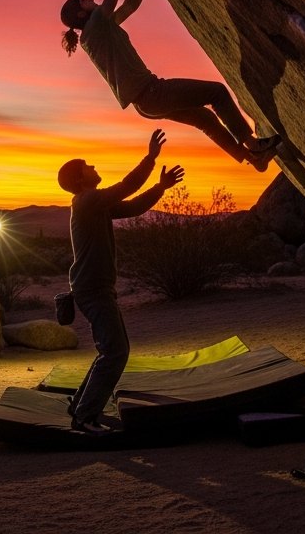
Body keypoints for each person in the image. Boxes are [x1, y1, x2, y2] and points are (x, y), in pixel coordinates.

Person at [61, 0, 281, 171]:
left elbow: (129, 6)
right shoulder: (96, 24)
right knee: (217, 93)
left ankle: (254, 159)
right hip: (152, 93)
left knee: (205, 119)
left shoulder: (99, 31)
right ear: (81, 13)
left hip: (146, 104)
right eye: (84, 0)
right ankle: (252, 145)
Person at [59, 128, 184, 436]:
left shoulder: (95, 205)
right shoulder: (86, 201)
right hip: (93, 290)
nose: (93, 166)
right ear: (80, 179)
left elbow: (132, 207)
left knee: (114, 350)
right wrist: (150, 159)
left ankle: (80, 406)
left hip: (97, 288)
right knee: (115, 353)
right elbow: (125, 187)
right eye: (87, 166)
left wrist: (159, 188)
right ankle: (84, 417)